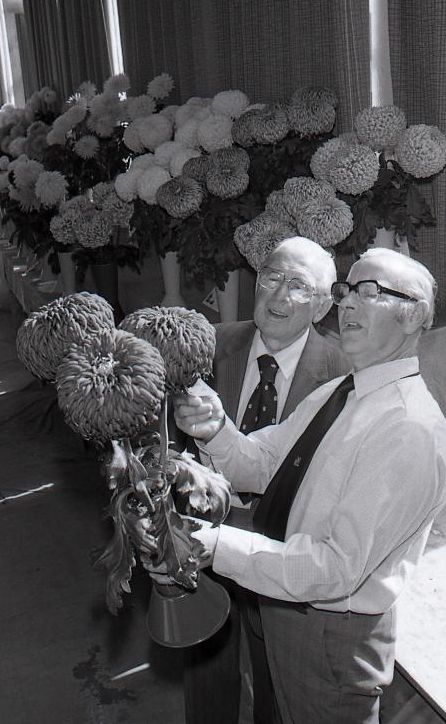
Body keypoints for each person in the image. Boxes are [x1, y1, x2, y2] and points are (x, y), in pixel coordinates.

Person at [168, 247, 446, 724]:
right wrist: (215, 430)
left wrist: (211, 545)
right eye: (347, 291)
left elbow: (335, 569)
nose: (348, 304)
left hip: (331, 635)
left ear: (414, 319)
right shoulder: (341, 393)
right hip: (289, 606)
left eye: (371, 292)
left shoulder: (406, 427)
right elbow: (263, 462)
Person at [181, 236, 350, 724]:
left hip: (288, 544)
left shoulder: (342, 375)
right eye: (272, 277)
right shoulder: (206, 344)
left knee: (278, 680)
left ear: (321, 305)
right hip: (204, 532)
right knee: (206, 669)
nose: (278, 296)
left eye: (298, 286)